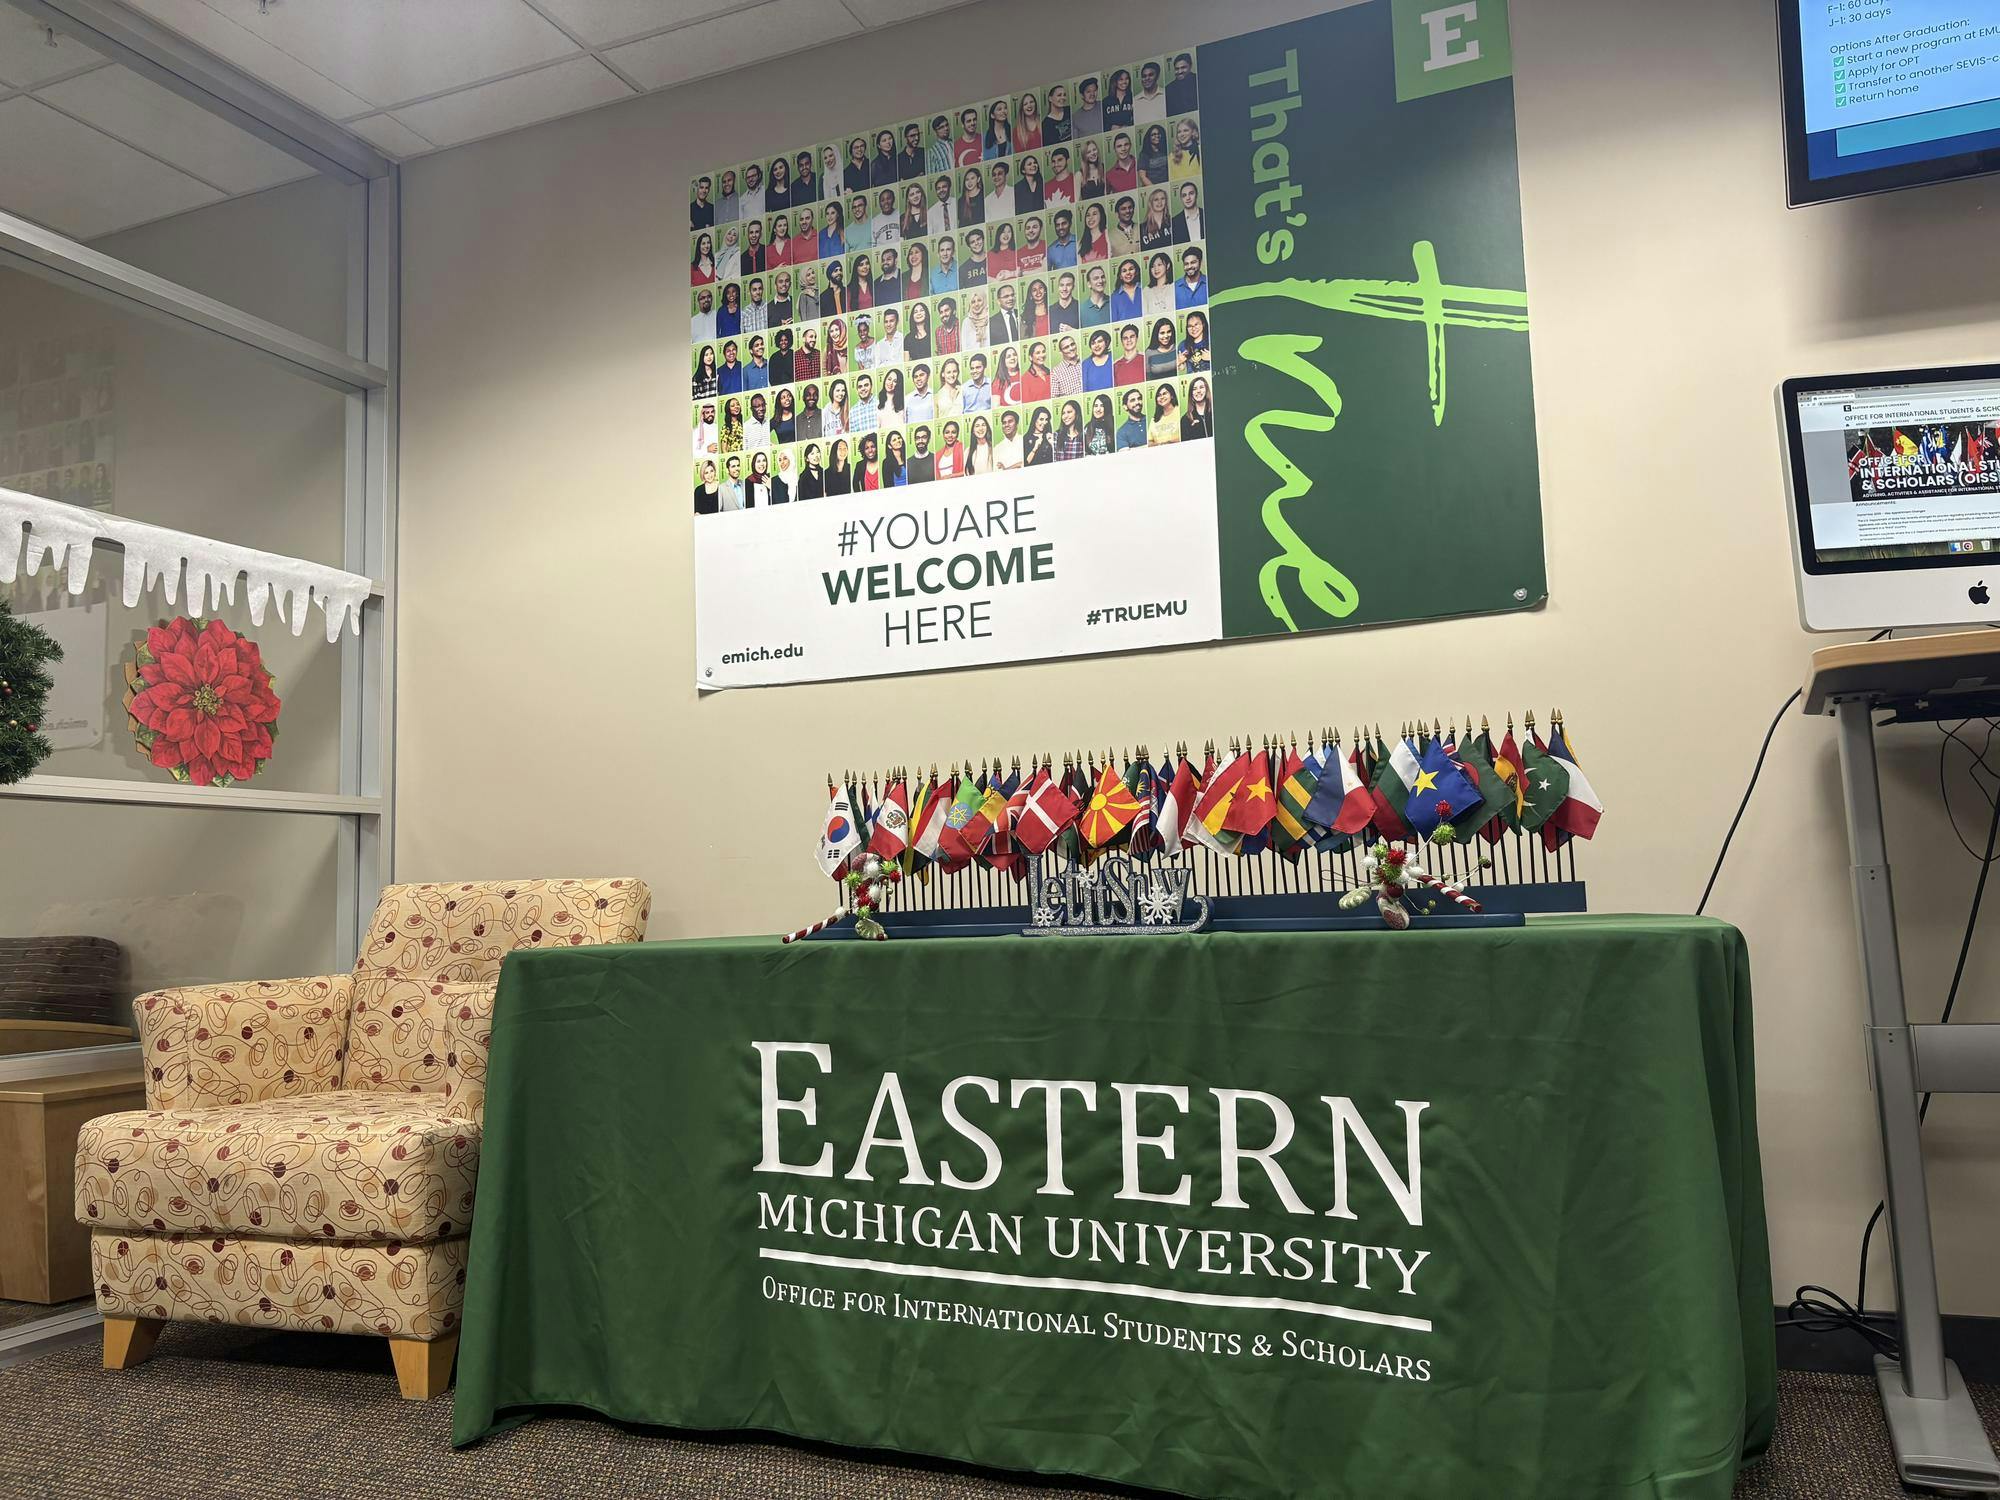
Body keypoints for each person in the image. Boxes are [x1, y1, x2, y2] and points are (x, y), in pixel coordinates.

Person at [990, 281, 1024, 346]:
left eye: (1012, 295)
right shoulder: (992, 322)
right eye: (1006, 296)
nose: (1010, 298)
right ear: (998, 301)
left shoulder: (1022, 314)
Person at [1171, 181, 1204, 246]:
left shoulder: (1205, 214)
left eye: (1191, 193)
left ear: (1196, 194)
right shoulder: (1174, 222)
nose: (1188, 198)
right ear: (1181, 198)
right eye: (1184, 195)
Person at [1181, 375, 1213, 440]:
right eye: (1194, 389)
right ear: (1191, 393)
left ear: (1206, 390)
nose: (1198, 391)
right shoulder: (1185, 419)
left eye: (1201, 387)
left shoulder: (1216, 411)